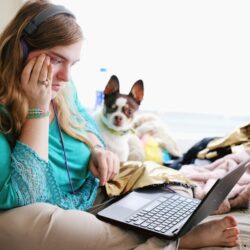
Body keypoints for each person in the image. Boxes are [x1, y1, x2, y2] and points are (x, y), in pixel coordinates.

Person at [0, 1, 239, 249]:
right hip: (36, 212)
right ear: (20, 50)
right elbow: (26, 195)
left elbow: (87, 127)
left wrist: (97, 150)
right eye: (56, 60)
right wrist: (37, 108)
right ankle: (174, 237)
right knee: (48, 226)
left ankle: (160, 231)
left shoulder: (63, 88)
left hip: (92, 193)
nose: (66, 77)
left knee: (166, 181)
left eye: (73, 64)